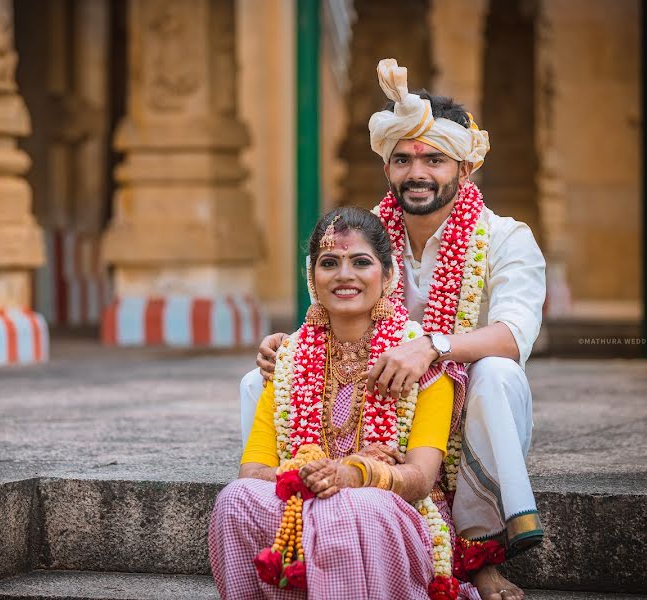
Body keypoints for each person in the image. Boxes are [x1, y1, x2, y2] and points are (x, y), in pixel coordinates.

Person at [241, 59, 545, 600]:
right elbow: (337, 304)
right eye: (402, 159)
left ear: (464, 170)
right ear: (387, 170)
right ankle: (285, 532)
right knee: (259, 381)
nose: (417, 172)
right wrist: (288, 345)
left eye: (434, 159)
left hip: (466, 395)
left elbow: (514, 336)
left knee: (496, 374)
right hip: (378, 393)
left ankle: (479, 558)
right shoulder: (367, 237)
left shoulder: (505, 237)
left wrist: (431, 349)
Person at [210, 207, 480, 599]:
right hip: (302, 499)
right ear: (312, 276)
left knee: (351, 509)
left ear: (388, 275)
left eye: (361, 262)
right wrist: (308, 474)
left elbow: (420, 478)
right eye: (329, 263)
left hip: (388, 510)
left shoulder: (420, 360)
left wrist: (355, 475)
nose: (344, 275)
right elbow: (253, 469)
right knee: (235, 500)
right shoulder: (289, 358)